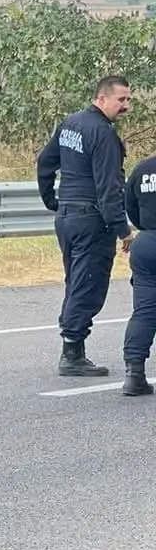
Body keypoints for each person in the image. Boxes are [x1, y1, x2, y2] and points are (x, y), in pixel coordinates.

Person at [36, 75, 132, 378]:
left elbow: (44, 162)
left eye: (129, 100)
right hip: (92, 220)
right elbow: (108, 188)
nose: (126, 106)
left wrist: (53, 200)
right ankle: (72, 353)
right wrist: (123, 229)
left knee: (75, 281)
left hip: (67, 217)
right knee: (87, 284)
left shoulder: (70, 124)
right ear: (101, 99)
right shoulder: (102, 133)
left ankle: (72, 344)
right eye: (121, 100)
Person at [120, 149, 156, 397]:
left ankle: (134, 374)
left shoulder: (143, 169)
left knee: (144, 312)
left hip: (147, 244)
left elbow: (130, 206)